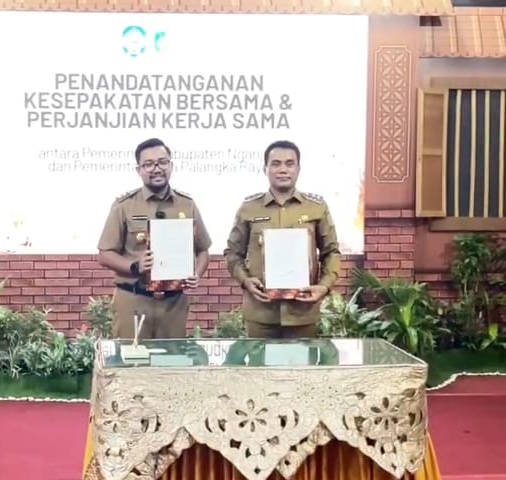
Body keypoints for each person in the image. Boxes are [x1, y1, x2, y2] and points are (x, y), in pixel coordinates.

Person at [224, 140, 341, 338]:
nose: (283, 170)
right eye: (276, 164)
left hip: (303, 311)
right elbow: (233, 253)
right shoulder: (249, 208)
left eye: (289, 163)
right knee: (261, 359)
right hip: (261, 312)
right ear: (265, 169)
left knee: (300, 359)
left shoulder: (316, 207)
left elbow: (331, 252)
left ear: (298, 169)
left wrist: (324, 286)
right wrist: (245, 281)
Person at [97, 138, 212, 339]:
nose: (157, 169)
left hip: (173, 304)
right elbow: (105, 254)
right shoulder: (124, 205)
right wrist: (135, 266)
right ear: (139, 170)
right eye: (149, 164)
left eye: (162, 162)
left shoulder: (187, 205)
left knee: (172, 357)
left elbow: (203, 249)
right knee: (131, 357)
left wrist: (197, 274)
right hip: (133, 300)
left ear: (170, 165)